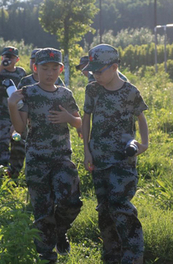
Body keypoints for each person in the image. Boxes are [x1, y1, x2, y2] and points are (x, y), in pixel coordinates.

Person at [8, 48, 82, 263]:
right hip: (37, 159)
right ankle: (46, 254)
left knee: (71, 202)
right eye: (44, 68)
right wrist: (12, 105)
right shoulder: (27, 92)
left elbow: (80, 122)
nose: (49, 73)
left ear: (61, 69)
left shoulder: (65, 94)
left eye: (54, 68)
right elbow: (21, 128)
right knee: (42, 211)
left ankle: (61, 230)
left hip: (62, 158)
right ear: (35, 68)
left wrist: (69, 117)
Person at [82, 44, 148, 264]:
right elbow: (86, 119)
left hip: (123, 159)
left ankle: (132, 257)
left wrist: (144, 143)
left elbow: (141, 117)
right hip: (98, 158)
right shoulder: (92, 89)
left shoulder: (130, 91)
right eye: (94, 71)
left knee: (121, 207)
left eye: (100, 71)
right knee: (104, 209)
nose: (96, 75)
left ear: (114, 67)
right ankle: (111, 255)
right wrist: (87, 152)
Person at [0, 46, 26, 178]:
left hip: (18, 113)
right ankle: (2, 168)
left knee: (17, 139)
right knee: (3, 140)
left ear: (17, 59)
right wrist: (0, 68)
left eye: (11, 57)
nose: (8, 59)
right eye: (5, 57)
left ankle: (15, 170)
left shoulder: (20, 73)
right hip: (3, 113)